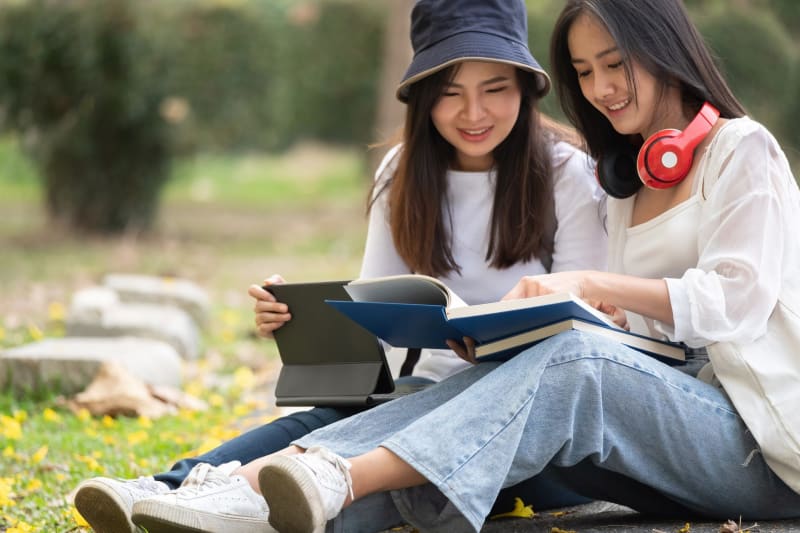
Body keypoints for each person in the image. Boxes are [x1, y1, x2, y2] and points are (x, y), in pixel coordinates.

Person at [213, 0, 800, 532]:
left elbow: (736, 303)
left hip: (765, 448)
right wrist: (503, 340)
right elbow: (643, 343)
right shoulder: (629, 182)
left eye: (614, 63)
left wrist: (591, 284)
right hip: (665, 435)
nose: (601, 88)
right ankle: (238, 499)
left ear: (663, 50)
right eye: (585, 72)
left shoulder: (743, 149)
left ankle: (333, 474)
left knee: (575, 363)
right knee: (457, 422)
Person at [73, 0, 608, 531]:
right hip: (413, 393)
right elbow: (372, 312)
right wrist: (299, 319)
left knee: (384, 438)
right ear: (422, 99)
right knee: (334, 420)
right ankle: (168, 488)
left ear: (524, 88)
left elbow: (579, 325)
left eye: (495, 90)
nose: (473, 114)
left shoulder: (567, 173)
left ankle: (224, 500)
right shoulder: (400, 173)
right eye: (450, 94)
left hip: (515, 413)